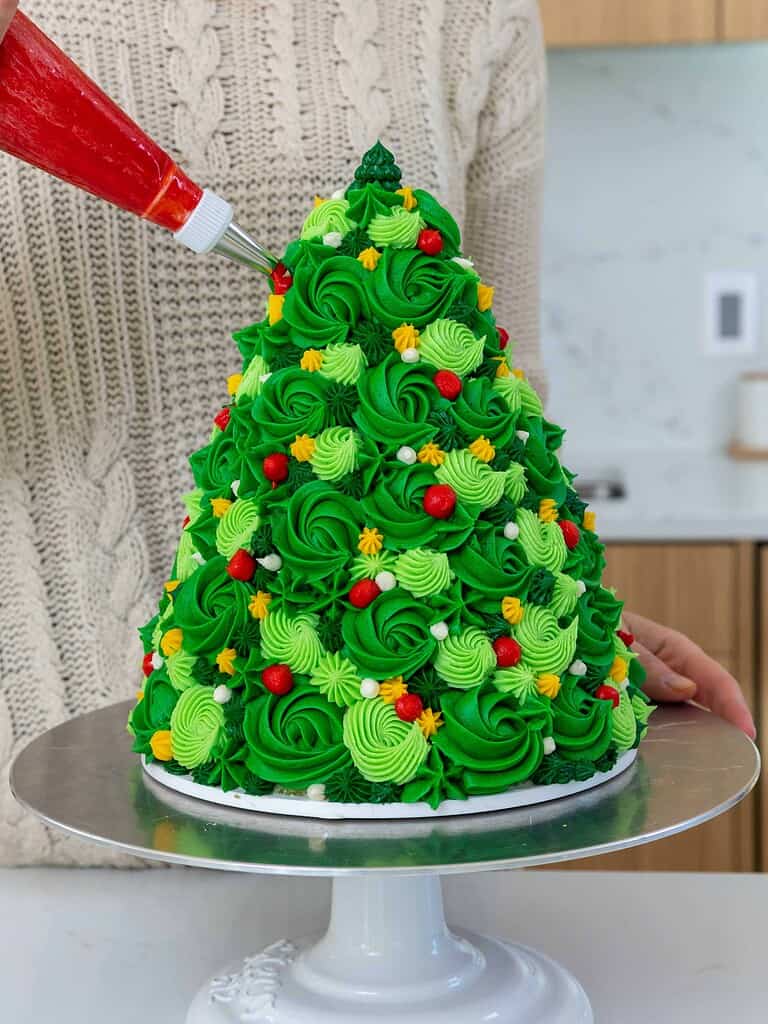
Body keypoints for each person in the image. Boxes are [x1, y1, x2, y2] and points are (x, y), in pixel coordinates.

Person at [0, 0, 753, 863]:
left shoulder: (474, 16)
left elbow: (492, 404)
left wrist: (542, 631)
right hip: (31, 851)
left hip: (424, 837)